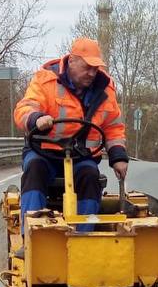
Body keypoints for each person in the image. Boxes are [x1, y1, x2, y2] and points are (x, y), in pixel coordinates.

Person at [13, 37, 129, 231]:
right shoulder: (45, 80)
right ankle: (32, 236)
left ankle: (84, 237)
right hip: (44, 153)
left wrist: (118, 156)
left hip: (81, 156)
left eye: (95, 68)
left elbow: (113, 127)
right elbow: (24, 108)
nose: (92, 73)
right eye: (87, 67)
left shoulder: (106, 90)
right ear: (72, 61)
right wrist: (36, 119)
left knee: (90, 176)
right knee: (34, 170)